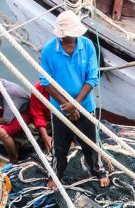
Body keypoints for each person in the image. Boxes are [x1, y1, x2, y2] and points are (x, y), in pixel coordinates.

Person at [39, 11, 109, 189]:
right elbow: (46, 82)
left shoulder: (87, 46)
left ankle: (98, 171)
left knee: (90, 144)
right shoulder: (48, 50)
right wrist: (67, 106)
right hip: (60, 108)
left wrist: (75, 104)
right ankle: (56, 174)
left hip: (85, 105)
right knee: (60, 148)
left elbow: (92, 78)